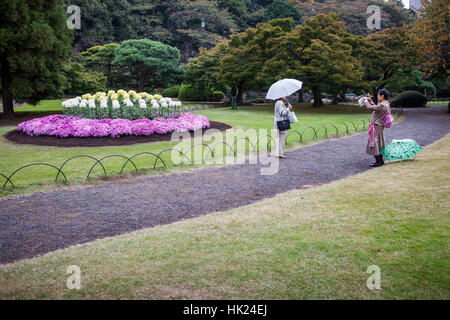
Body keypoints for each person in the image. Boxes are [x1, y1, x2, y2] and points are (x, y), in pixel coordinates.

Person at [363, 88, 391, 167]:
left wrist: (365, 101)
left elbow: (370, 108)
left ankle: (378, 161)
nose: (378, 96)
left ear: (382, 96)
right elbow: (376, 107)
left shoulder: (382, 105)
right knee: (378, 142)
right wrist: (370, 101)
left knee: (374, 142)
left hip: (376, 125)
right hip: (379, 125)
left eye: (378, 95)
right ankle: (380, 160)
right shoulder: (386, 104)